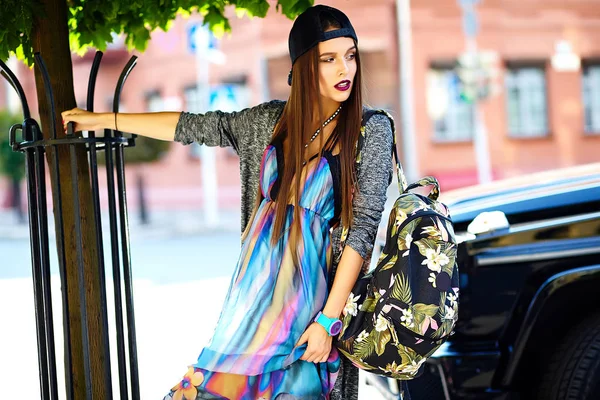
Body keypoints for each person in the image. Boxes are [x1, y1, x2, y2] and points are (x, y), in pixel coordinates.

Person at [62, 5, 397, 400]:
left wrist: (328, 320)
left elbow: (363, 231)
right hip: (250, 304)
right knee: (201, 391)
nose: (345, 69)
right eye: (329, 59)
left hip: (309, 310)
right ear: (304, 66)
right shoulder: (270, 123)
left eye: (350, 55)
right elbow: (193, 125)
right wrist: (105, 120)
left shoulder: (370, 129)